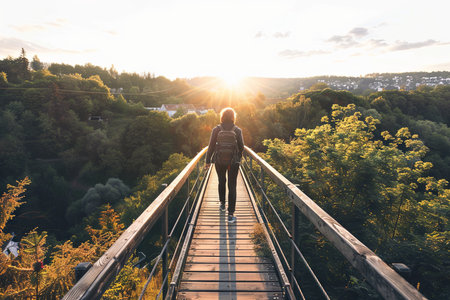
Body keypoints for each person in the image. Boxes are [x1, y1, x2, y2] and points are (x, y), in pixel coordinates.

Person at [205, 107, 244, 223]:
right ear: (233, 117)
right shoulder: (237, 130)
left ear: (222, 116)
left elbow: (211, 146)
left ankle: (222, 204)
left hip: (219, 160)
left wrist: (207, 161)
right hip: (233, 162)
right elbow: (242, 147)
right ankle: (231, 215)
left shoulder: (216, 129)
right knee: (232, 185)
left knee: (221, 181)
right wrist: (238, 156)